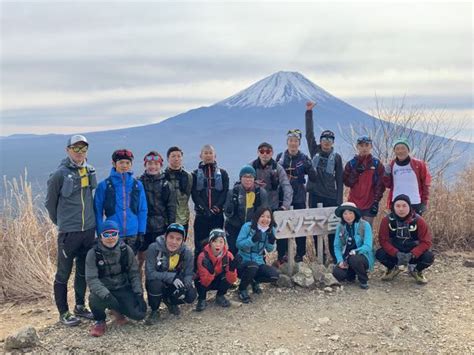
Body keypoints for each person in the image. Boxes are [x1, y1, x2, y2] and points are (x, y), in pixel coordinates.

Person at [45, 134, 96, 326]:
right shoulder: (59, 174)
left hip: (88, 230)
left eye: (83, 149)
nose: (80, 152)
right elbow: (50, 203)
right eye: (76, 148)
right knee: (63, 273)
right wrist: (61, 222)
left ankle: (80, 306)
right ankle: (64, 312)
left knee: (83, 271)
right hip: (69, 232)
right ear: (68, 150)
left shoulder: (89, 170)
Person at [86, 220, 147, 337]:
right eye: (106, 235)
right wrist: (106, 295)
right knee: (94, 298)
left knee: (139, 315)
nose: (110, 238)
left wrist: (139, 293)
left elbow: (134, 273)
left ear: (118, 235)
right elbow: (91, 279)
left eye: (113, 234)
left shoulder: (126, 250)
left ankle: (117, 311)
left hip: (122, 287)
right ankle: (100, 321)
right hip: (105, 289)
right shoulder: (93, 253)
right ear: (101, 237)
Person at [305, 101, 344, 263]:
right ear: (320, 141)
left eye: (330, 139)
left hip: (330, 196)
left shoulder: (337, 158)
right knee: (315, 227)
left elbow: (340, 179)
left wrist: (339, 201)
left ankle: (334, 256)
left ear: (333, 142)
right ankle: (319, 256)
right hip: (314, 194)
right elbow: (309, 134)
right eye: (324, 138)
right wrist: (309, 113)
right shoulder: (314, 150)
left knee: (332, 229)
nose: (326, 141)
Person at [94, 149, 148, 254]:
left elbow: (142, 210)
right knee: (114, 266)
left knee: (132, 265)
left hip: (133, 232)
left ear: (131, 164)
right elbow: (98, 212)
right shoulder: (103, 185)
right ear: (114, 163)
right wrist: (100, 233)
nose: (124, 165)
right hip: (112, 233)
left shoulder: (137, 185)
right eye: (121, 162)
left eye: (127, 162)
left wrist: (141, 231)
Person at [276, 129, 317, 263]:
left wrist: (310, 166)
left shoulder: (304, 158)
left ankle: (300, 254)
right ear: (287, 142)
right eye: (291, 141)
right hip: (283, 195)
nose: (293, 144)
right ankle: (282, 255)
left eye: (296, 141)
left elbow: (313, 177)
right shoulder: (280, 157)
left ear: (299, 143)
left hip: (299, 195)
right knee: (282, 225)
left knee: (300, 225)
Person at [376, 194, 434, 284]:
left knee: (428, 257)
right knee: (380, 254)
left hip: (413, 251)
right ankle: (392, 268)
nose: (401, 209)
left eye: (404, 206)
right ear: (393, 207)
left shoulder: (419, 220)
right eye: (398, 206)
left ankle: (416, 270)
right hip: (395, 252)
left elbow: (426, 242)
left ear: (409, 206)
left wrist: (413, 254)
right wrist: (396, 253)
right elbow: (383, 240)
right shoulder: (387, 220)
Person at [145, 223, 196, 324]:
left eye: (178, 239)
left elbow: (188, 273)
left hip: (175, 282)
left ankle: (170, 301)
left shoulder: (186, 253)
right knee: (155, 284)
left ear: (183, 241)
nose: (174, 242)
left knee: (191, 295)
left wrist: (186, 286)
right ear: (165, 236)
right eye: (171, 237)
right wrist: (172, 277)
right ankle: (155, 310)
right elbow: (150, 273)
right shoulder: (153, 248)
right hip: (158, 281)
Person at [139, 151, 176, 276]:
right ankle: (138, 290)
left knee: (159, 260)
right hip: (143, 227)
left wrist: (171, 229)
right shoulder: (139, 183)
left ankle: (157, 289)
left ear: (160, 165)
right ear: (145, 165)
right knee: (140, 259)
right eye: (149, 163)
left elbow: (171, 207)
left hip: (160, 227)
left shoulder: (166, 184)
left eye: (156, 164)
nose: (152, 166)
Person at [191, 145, 230, 264]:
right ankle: (198, 272)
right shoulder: (194, 174)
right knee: (200, 244)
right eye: (205, 153)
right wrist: (204, 208)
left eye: (210, 153)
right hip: (201, 215)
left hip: (217, 215)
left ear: (215, 155)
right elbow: (194, 194)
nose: (208, 155)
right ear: (201, 156)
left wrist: (216, 208)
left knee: (217, 243)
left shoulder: (222, 173)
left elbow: (225, 192)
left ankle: (217, 270)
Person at [236, 207, 280, 303]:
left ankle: (254, 281)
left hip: (258, 261)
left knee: (274, 275)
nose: (265, 219)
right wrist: (252, 240)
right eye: (262, 216)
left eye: (268, 217)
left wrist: (271, 241)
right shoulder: (247, 226)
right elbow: (238, 244)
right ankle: (242, 289)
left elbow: (269, 249)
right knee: (252, 266)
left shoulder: (271, 229)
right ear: (257, 217)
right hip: (243, 262)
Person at [224, 165, 269, 256]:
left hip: (252, 227)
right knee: (233, 250)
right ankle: (233, 269)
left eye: (250, 177)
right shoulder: (233, 192)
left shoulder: (261, 193)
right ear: (240, 178)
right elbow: (227, 213)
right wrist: (231, 207)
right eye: (245, 176)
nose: (248, 179)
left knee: (254, 250)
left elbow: (264, 212)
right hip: (234, 226)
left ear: (254, 179)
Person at [343, 136, 385, 226]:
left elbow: (380, 185)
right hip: (353, 203)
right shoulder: (351, 164)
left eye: (367, 145)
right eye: (361, 145)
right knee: (353, 231)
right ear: (357, 147)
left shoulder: (377, 164)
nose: (364, 148)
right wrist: (356, 172)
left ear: (371, 146)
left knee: (367, 231)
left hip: (370, 203)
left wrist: (376, 202)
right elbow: (347, 182)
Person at [383, 138, 431, 215]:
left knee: (415, 226)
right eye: (397, 149)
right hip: (397, 203)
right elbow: (388, 185)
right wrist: (386, 174)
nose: (400, 151)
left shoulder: (418, 164)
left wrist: (424, 202)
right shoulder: (391, 165)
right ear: (394, 151)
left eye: (403, 148)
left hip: (415, 202)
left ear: (408, 150)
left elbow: (426, 183)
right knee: (396, 226)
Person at [332, 202, 374, 289]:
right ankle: (351, 275)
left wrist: (356, 251)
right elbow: (337, 246)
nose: (348, 216)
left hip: (362, 256)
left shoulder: (365, 225)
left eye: (350, 213)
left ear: (355, 214)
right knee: (337, 273)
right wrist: (340, 261)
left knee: (354, 259)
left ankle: (363, 280)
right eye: (345, 213)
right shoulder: (341, 227)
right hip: (346, 258)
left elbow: (368, 245)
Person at [194, 229, 238, 312]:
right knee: (199, 281)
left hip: (219, 279)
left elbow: (232, 280)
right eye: (215, 241)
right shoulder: (203, 256)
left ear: (224, 243)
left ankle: (220, 296)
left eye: (221, 242)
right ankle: (202, 299)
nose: (218, 245)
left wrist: (232, 270)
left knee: (226, 277)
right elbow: (204, 282)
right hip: (206, 281)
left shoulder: (228, 256)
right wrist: (210, 271)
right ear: (210, 242)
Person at [250, 142, 293, 211]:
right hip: (254, 206)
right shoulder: (251, 167)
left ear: (272, 153)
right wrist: (254, 184)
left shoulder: (278, 168)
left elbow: (287, 186)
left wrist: (285, 206)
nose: (265, 154)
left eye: (268, 151)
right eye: (262, 151)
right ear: (258, 152)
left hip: (273, 207)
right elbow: (242, 184)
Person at [163, 146, 193, 235]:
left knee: (181, 245)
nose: (176, 159)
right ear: (168, 158)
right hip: (165, 219)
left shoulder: (188, 176)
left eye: (179, 156)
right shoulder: (162, 176)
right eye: (173, 156)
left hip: (183, 218)